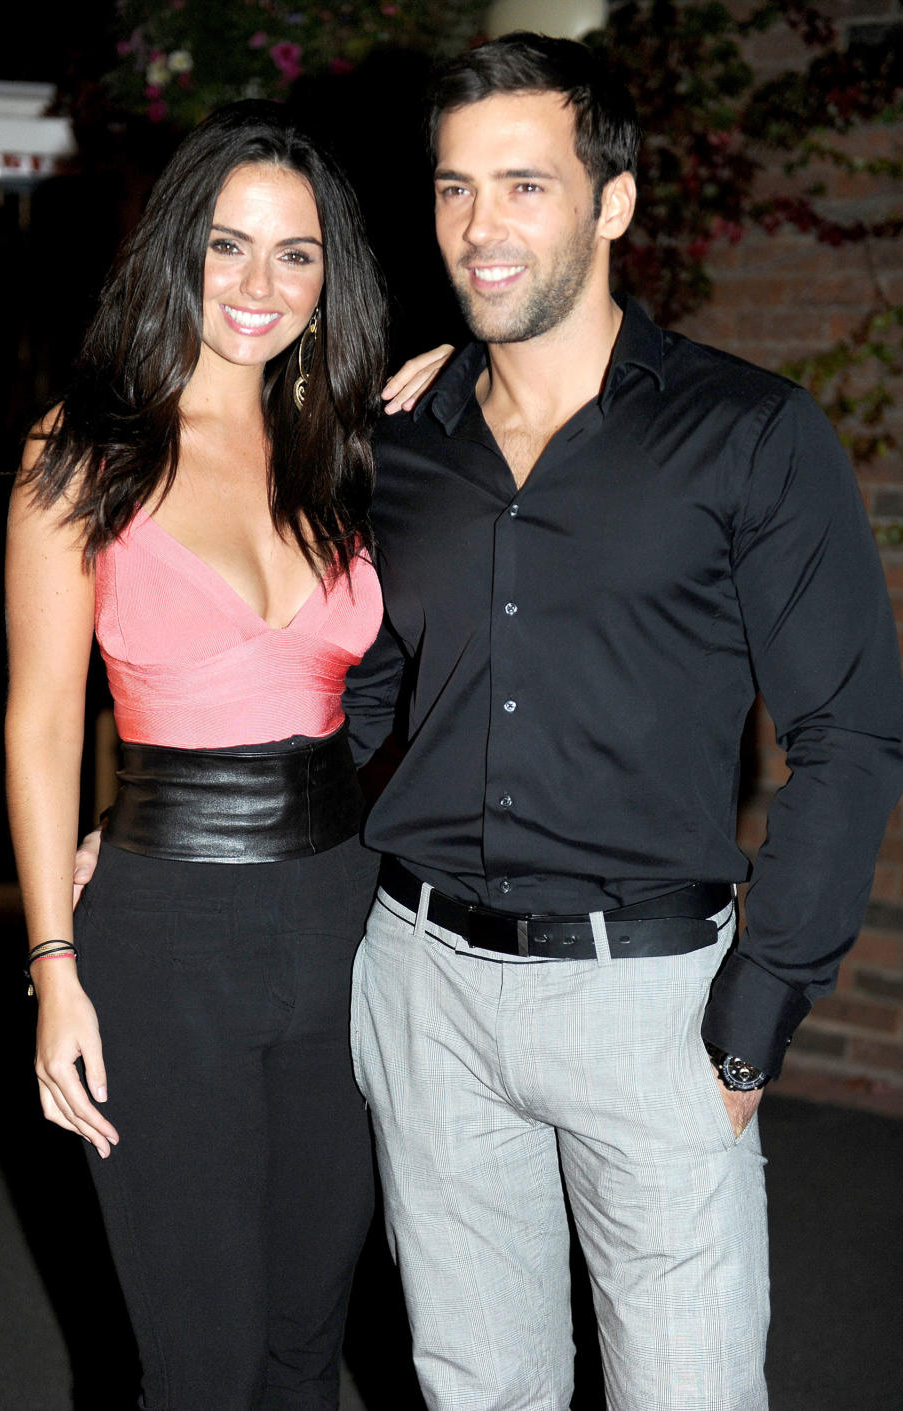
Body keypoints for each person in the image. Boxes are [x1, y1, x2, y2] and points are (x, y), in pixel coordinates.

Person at [338, 32, 903, 1411]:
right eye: (455, 189)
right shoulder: (398, 441)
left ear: (615, 202)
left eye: (526, 186)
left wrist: (753, 1017)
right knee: (477, 1387)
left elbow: (849, 733)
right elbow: (356, 698)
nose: (482, 228)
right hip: (425, 988)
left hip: (651, 1000)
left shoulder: (748, 432)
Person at [5, 99, 442, 1411]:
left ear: (330, 277)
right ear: (174, 252)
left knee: (310, 1343)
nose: (258, 284)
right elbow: (35, 725)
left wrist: (458, 378)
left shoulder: (350, 447)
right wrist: (52, 967)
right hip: (163, 940)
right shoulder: (82, 454)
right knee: (196, 1362)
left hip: (341, 922)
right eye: (227, 245)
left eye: (294, 253)